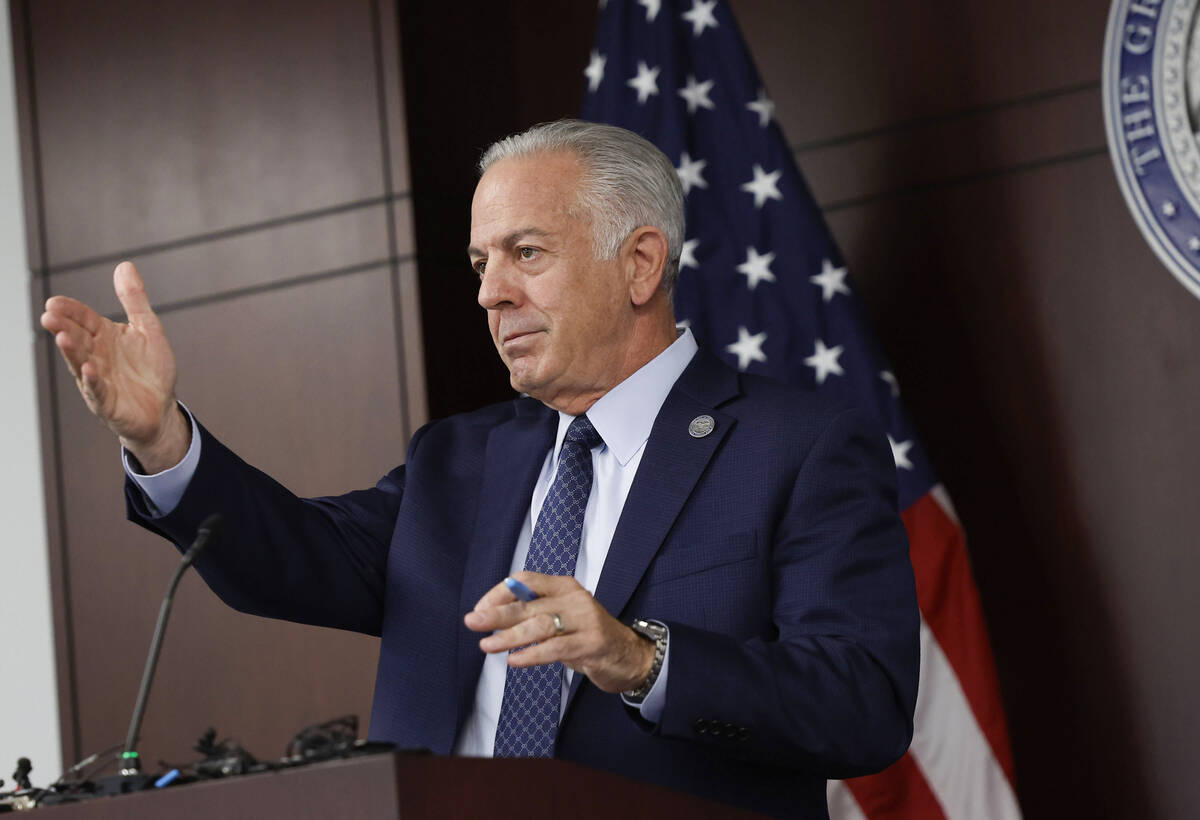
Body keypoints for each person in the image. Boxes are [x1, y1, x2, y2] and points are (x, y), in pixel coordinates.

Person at [40, 119, 918, 817]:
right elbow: (286, 554)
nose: (490, 292)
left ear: (640, 263)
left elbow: (862, 704)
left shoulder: (795, 447)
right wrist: (160, 439)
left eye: (525, 254)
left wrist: (637, 657)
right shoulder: (455, 461)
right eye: (480, 262)